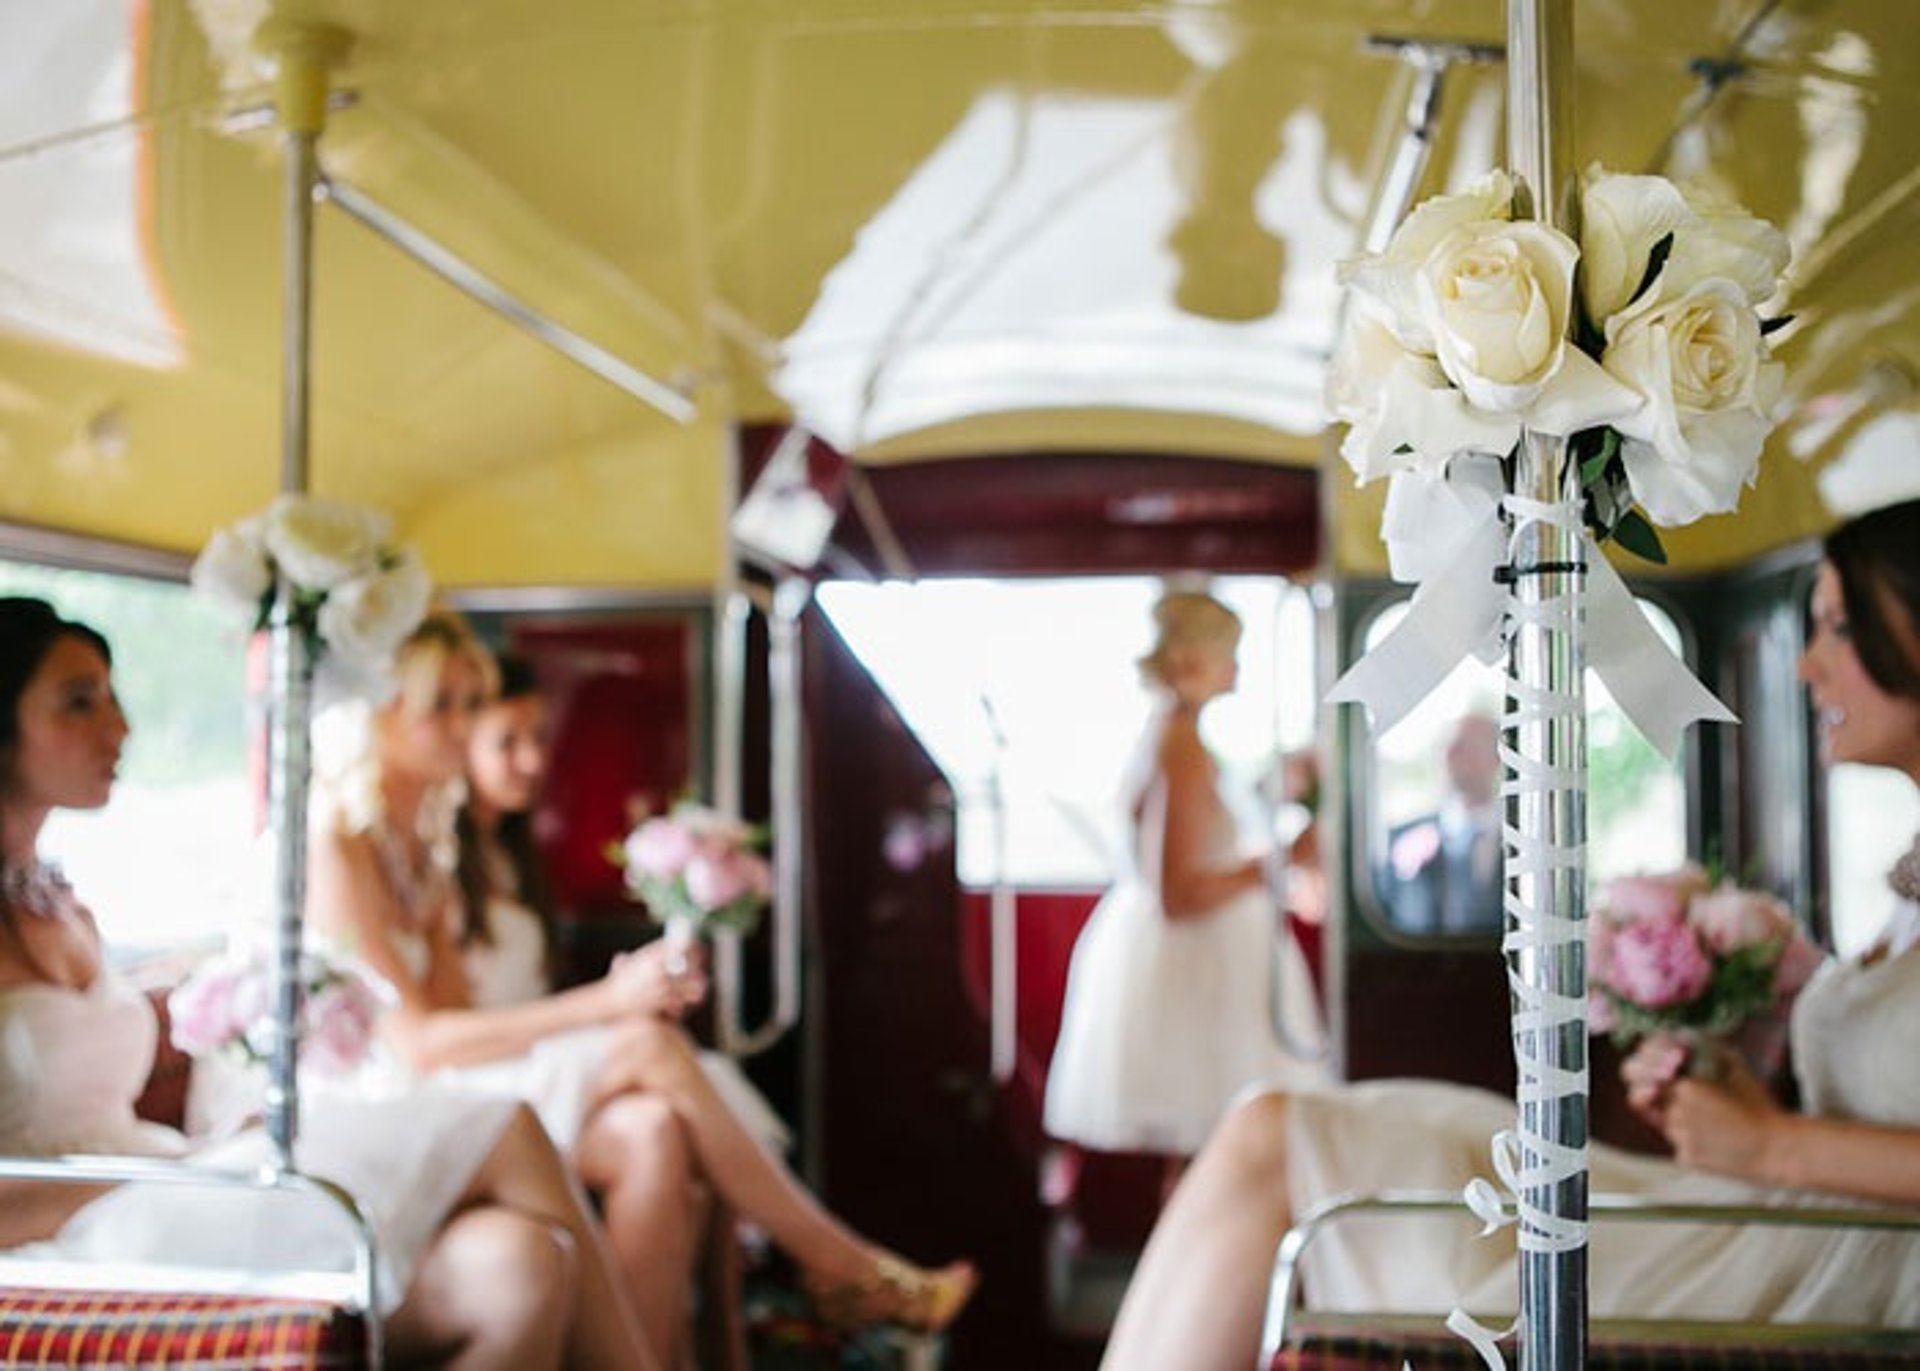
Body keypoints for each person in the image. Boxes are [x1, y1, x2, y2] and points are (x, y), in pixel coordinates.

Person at [1097, 502, 1920, 1371]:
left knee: (1280, 1139)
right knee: (1268, 1125)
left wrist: (1770, 1146)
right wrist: (1730, 1098)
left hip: (1824, 1264)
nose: (1807, 665)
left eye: (1840, 625)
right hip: (1775, 1210)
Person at [0, 596, 656, 1370]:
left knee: (522, 1262)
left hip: (159, 1176)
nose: (121, 728)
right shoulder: (331, 848)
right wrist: (178, 1163)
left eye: (112, 696)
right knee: (503, 1120)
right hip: (73, 1236)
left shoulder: (62, 903)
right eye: (80, 702)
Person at [305, 613, 974, 1369]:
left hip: (453, 1072)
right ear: (382, 711)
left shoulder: (421, 845)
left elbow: (458, 1010)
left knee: (653, 1130)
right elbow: (422, 1042)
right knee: (648, 1044)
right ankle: (841, 1267)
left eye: (470, 702)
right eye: (445, 706)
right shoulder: (336, 846)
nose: (465, 725)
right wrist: (605, 1003)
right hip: (381, 1098)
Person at [1043, 589, 1325, 1187]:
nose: (1239, 670)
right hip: (1200, 971)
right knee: (1217, 1164)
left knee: (1208, 1161)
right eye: (1231, 654)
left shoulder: (1168, 736)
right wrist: (1275, 862)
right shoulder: (1182, 749)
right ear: (1197, 660)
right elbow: (1177, 892)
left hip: (1194, 964)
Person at [1378, 711, 1504, 936]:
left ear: (1497, 759)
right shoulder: (1400, 838)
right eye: (1446, 747)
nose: (1450, 756)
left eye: (1464, 747)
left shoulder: (1526, 842)